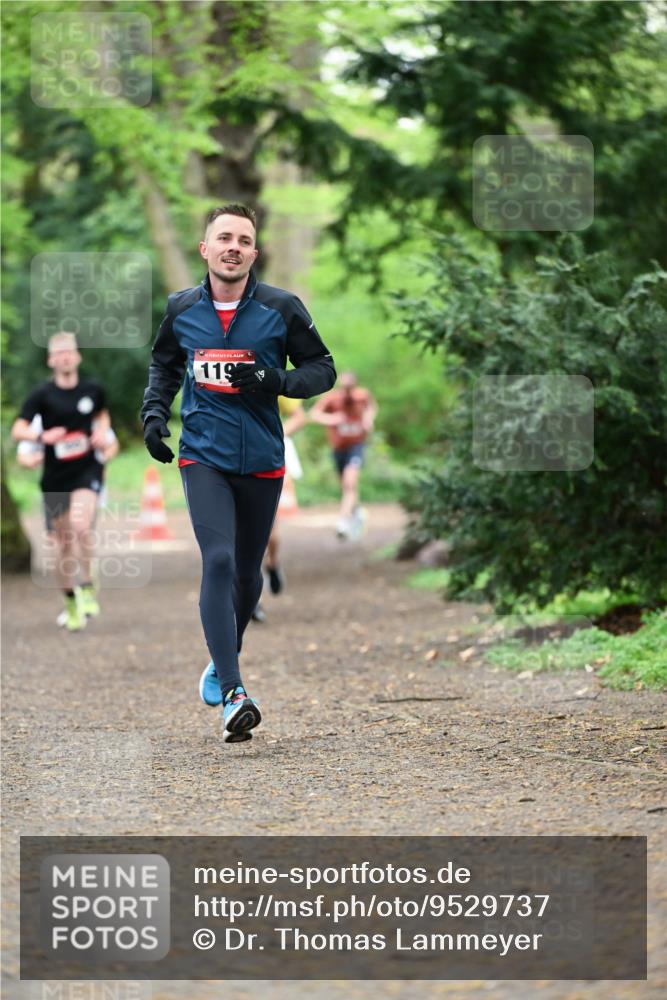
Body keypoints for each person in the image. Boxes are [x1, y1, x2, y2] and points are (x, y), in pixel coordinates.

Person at [141, 203, 335, 744]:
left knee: (249, 575)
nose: (234, 247)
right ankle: (234, 693)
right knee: (219, 559)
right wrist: (154, 415)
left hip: (262, 459)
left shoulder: (281, 308)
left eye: (244, 240)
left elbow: (322, 369)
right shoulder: (182, 308)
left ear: (254, 253)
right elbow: (164, 364)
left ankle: (225, 654)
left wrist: (276, 380)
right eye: (224, 238)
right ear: (205, 249)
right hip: (203, 455)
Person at [11, 332, 111, 631]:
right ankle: (70, 600)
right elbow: (18, 429)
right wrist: (42, 436)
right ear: (51, 360)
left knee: (82, 527)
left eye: (69, 351)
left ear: (77, 356)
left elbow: (102, 416)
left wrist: (100, 432)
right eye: (59, 353)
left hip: (87, 470)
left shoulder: (93, 389)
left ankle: (88, 586)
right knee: (62, 544)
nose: (65, 357)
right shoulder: (41, 395)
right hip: (55, 477)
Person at [309, 370, 377, 539]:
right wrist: (332, 419)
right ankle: (357, 511)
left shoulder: (362, 396)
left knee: (349, 482)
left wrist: (368, 419)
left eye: (350, 387)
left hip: (356, 445)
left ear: (354, 385)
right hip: (338, 448)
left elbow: (372, 407)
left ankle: (344, 520)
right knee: (347, 486)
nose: (347, 391)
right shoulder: (332, 398)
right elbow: (314, 414)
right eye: (344, 387)